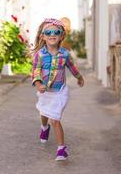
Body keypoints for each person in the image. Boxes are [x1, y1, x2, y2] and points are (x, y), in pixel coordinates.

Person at [31, 18, 84, 161]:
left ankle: (61, 149)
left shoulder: (64, 54)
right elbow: (35, 71)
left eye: (56, 32)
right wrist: (38, 84)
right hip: (45, 91)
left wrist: (79, 77)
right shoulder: (39, 55)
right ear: (43, 36)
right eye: (48, 32)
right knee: (44, 112)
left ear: (61, 36)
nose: (52, 34)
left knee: (54, 119)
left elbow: (72, 67)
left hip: (60, 91)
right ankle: (44, 127)